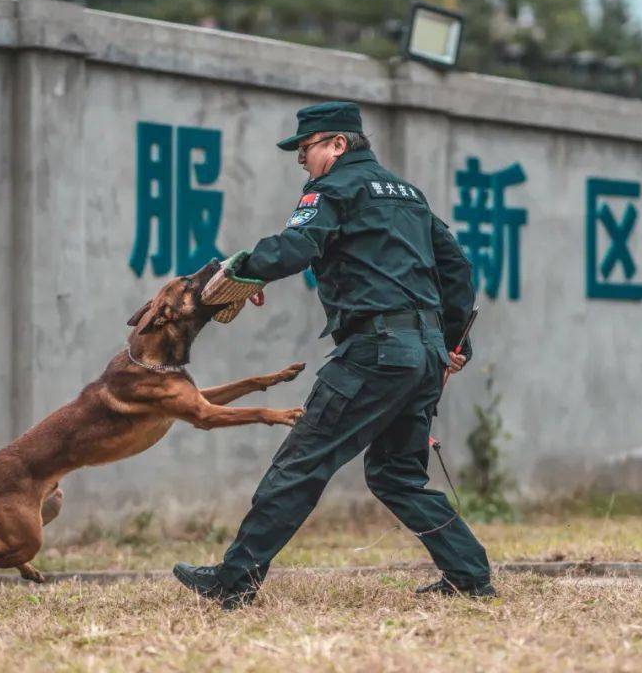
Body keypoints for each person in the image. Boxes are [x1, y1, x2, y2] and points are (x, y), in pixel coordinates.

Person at [173, 101, 495, 609]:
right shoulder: (409, 196)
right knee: (396, 474)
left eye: (306, 149)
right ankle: (470, 574)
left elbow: (298, 245)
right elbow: (455, 268)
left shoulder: (333, 189)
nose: (302, 160)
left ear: (338, 144)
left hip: (376, 352)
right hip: (423, 354)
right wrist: (454, 343)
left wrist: (242, 268)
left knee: (301, 462)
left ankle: (233, 580)